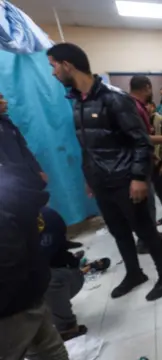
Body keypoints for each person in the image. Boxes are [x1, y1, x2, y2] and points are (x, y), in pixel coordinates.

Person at [47, 43, 162, 301]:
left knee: (144, 230)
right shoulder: (77, 101)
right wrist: (90, 177)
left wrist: (138, 177)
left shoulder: (114, 98)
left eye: (53, 66)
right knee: (118, 231)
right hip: (101, 181)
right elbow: (88, 145)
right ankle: (134, 273)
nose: (53, 73)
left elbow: (140, 141)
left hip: (124, 179)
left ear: (67, 65)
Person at [0, 93, 69, 359]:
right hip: (25, 290)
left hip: (15, 296)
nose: (5, 100)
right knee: (46, 345)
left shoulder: (7, 125)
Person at [129, 75, 162, 248]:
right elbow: (138, 138)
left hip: (144, 161)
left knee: (149, 203)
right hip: (138, 165)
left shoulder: (137, 106)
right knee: (145, 206)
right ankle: (146, 241)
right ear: (147, 87)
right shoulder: (134, 107)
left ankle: (151, 234)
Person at [39, 206, 87, 341]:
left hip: (62, 275)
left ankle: (67, 327)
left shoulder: (43, 216)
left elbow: (41, 258)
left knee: (44, 277)